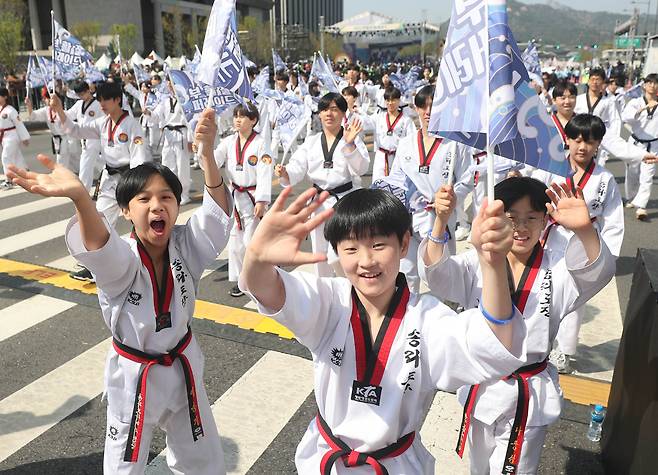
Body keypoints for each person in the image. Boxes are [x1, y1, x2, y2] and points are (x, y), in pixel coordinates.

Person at [239, 185, 528, 474]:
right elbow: (267, 289)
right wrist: (256, 256)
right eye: (351, 248)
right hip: (328, 461)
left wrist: (492, 265)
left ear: (404, 244)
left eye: (378, 245)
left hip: (395, 464)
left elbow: (495, 344)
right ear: (337, 251)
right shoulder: (329, 302)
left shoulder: (426, 318)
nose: (366, 261)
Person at [6, 108, 231, 475]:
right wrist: (80, 197)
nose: (157, 206)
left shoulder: (186, 245)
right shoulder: (125, 258)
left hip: (183, 365)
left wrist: (206, 156)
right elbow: (99, 246)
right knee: (124, 467)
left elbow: (216, 220)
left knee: (204, 462)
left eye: (166, 198)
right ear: (125, 211)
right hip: (135, 374)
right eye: (143, 200)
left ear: (177, 206)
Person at [418, 177, 615, 475]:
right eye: (512, 218)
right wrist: (440, 221)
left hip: (528, 392)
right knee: (479, 467)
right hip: (483, 386)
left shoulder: (559, 268)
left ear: (546, 220)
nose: (522, 228)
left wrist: (585, 230)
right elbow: (438, 275)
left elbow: (596, 272)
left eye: (532, 218)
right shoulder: (479, 261)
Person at [533, 114, 625, 373]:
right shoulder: (550, 168)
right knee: (545, 290)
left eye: (590, 141)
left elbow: (614, 219)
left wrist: (607, 257)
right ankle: (539, 341)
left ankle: (564, 351)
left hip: (584, 242)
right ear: (568, 140)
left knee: (575, 298)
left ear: (598, 144)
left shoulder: (605, 179)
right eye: (577, 140)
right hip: (552, 239)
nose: (583, 147)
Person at [50, 82, 151, 282]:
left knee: (141, 223)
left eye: (106, 99)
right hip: (109, 180)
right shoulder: (102, 123)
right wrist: (60, 110)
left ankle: (148, 263)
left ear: (117, 100)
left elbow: (140, 157)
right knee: (101, 220)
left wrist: (135, 187)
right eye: (100, 99)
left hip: (129, 180)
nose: (102, 104)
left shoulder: (132, 125)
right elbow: (75, 130)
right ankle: (96, 266)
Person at [377, 85, 473, 293]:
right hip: (409, 220)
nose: (428, 111)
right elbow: (397, 179)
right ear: (416, 108)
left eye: (434, 106)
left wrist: (452, 199)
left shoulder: (455, 144)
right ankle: (411, 317)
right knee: (407, 273)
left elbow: (467, 179)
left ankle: (443, 314)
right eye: (423, 106)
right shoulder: (406, 144)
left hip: (440, 219)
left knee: (439, 273)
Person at [275, 92, 369, 277]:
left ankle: (349, 289)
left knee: (341, 253)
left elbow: (362, 168)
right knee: (320, 254)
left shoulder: (352, 138)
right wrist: (286, 172)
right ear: (319, 114)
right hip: (318, 202)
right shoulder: (311, 142)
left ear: (343, 114)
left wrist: (350, 145)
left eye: (334, 109)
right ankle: (325, 292)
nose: (329, 114)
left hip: (345, 201)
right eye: (324, 109)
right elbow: (297, 167)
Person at [214, 103, 273, 298]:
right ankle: (241, 280)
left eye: (243, 116)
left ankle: (259, 278)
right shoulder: (229, 141)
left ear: (253, 120)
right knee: (235, 242)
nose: (237, 119)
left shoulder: (261, 143)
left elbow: (265, 171)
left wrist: (262, 200)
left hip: (253, 196)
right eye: (236, 116)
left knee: (251, 241)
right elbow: (214, 161)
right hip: (235, 197)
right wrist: (203, 150)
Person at [149, 80, 192, 205]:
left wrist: (190, 139)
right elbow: (156, 116)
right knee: (167, 164)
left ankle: (184, 194)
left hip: (181, 133)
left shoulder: (185, 100)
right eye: (168, 84)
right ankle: (171, 191)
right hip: (168, 134)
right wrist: (148, 113)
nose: (170, 86)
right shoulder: (165, 101)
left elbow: (189, 121)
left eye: (172, 84)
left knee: (182, 165)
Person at [621, 73, 658, 220]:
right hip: (636, 143)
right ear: (644, 85)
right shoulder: (635, 102)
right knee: (632, 173)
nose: (652, 86)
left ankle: (642, 207)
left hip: (653, 145)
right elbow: (626, 118)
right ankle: (632, 197)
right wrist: (643, 109)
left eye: (655, 83)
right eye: (649, 83)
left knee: (647, 176)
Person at [66, 80, 105, 191]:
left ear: (89, 91)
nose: (81, 97)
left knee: (85, 165)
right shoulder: (79, 104)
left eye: (83, 94)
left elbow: (106, 120)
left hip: (94, 138)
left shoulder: (98, 104)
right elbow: (68, 115)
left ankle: (84, 192)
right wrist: (57, 109)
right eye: (79, 95)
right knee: (101, 164)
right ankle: (117, 178)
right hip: (84, 139)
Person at [371, 86, 416, 182]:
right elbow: (366, 122)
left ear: (399, 100)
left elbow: (412, 139)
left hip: (398, 157)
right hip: (381, 157)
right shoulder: (379, 117)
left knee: (397, 185)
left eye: (393, 100)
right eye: (388, 100)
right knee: (378, 185)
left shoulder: (406, 120)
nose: (390, 103)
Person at [0, 87, 29, 188]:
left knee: (6, 157)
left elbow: (19, 124)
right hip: (4, 137)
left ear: (5, 97)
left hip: (12, 136)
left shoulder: (10, 110)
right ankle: (25, 174)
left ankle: (9, 180)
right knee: (16, 157)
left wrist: (24, 137)